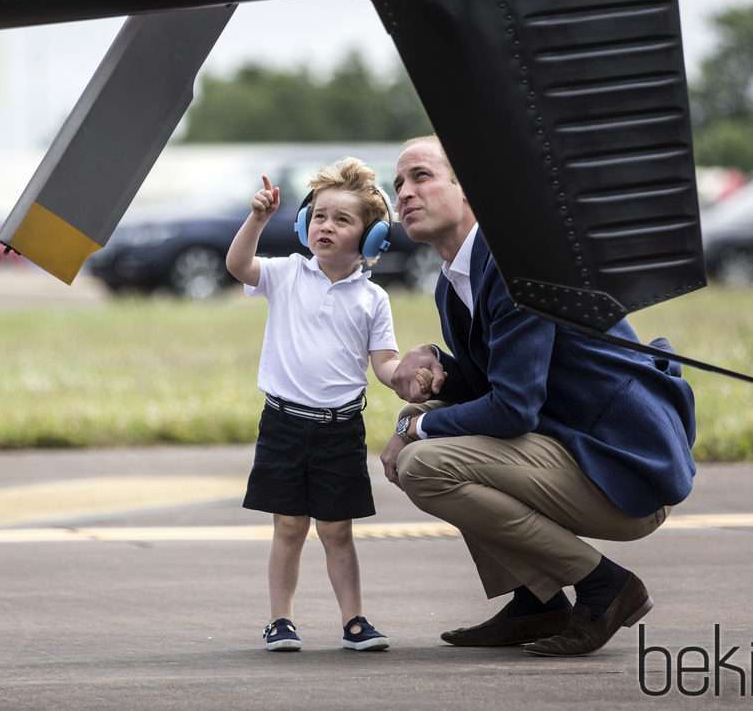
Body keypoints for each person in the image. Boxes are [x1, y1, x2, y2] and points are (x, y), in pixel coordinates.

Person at [380, 136, 696, 657]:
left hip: (623, 468)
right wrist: (437, 371)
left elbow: (513, 409)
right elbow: (495, 385)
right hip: (569, 451)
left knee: (424, 463)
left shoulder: (516, 266)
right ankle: (538, 600)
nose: (404, 194)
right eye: (399, 185)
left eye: (421, 176)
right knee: (425, 420)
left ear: (470, 192)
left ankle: (605, 586)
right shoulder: (454, 281)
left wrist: (410, 429)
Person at [227, 157, 400, 653]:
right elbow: (239, 266)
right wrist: (257, 219)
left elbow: (383, 363)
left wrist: (406, 379)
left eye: (343, 220)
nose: (326, 226)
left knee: (336, 529)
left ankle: (354, 621)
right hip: (283, 423)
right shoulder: (286, 275)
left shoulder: (373, 299)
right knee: (288, 527)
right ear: (304, 224)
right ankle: (280, 620)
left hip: (340, 429)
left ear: (370, 240)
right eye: (319, 215)